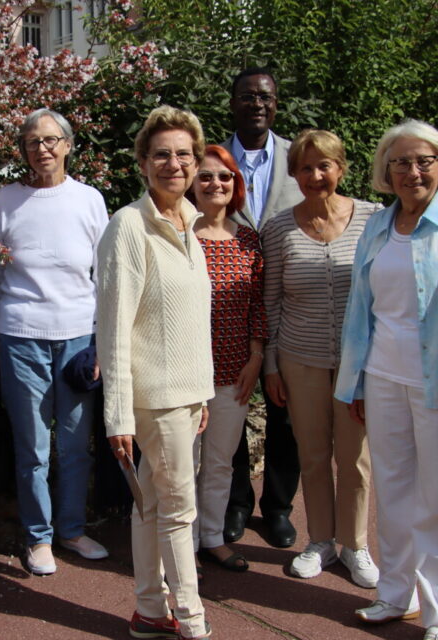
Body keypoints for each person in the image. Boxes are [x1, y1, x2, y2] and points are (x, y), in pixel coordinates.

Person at [335, 120, 438, 640]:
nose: (413, 171)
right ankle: (394, 595)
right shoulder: (379, 225)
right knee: (396, 491)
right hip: (384, 379)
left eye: (424, 160)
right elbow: (362, 311)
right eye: (401, 162)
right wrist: (357, 383)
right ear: (386, 171)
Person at [98, 105, 213, 640]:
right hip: (154, 397)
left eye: (184, 154)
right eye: (162, 154)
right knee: (179, 511)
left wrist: (201, 394)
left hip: (186, 395)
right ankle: (192, 622)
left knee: (150, 504)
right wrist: (117, 414)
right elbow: (114, 326)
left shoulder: (192, 223)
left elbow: (188, 319)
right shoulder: (128, 226)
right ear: (143, 162)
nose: (174, 163)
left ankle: (149, 612)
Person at [0, 108, 109, 576]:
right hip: (20, 338)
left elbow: (105, 275)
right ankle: (38, 538)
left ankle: (71, 530)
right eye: (34, 141)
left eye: (52, 140)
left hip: (77, 338)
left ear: (69, 144)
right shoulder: (5, 200)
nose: (43, 149)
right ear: (24, 149)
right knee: (32, 446)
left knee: (76, 445)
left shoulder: (90, 200)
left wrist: (101, 341)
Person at [260, 129, 381, 588]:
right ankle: (321, 541)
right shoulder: (279, 229)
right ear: (294, 173)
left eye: (324, 165)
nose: (315, 175)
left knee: (355, 459)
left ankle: (356, 545)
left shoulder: (374, 219)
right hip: (299, 359)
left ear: (341, 168)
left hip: (359, 363)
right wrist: (271, 364)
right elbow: (270, 303)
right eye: (305, 167)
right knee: (312, 455)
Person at [219, 67, 304, 548]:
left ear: (276, 104)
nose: (257, 104)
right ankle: (235, 503)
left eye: (266, 97)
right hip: (229, 305)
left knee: (284, 414)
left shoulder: (298, 157)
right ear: (232, 103)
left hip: (289, 305)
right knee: (231, 404)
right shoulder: (211, 159)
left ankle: (277, 508)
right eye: (247, 96)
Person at [188, 144, 268, 573]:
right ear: (192, 184)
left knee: (219, 461)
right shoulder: (177, 235)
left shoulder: (249, 239)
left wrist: (256, 356)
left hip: (234, 370)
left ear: (236, 184)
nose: (215, 184)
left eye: (224, 177)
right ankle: (181, 545)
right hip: (184, 372)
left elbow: (259, 304)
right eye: (205, 176)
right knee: (184, 463)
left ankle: (212, 537)